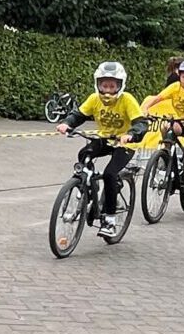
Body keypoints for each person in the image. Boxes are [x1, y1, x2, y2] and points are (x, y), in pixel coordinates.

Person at [55, 61, 150, 238]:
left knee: (110, 174)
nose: (107, 90)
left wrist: (131, 134)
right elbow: (79, 115)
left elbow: (141, 123)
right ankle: (89, 185)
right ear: (97, 84)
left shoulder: (127, 100)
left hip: (125, 143)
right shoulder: (94, 99)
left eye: (112, 86)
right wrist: (66, 124)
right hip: (105, 138)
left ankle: (110, 220)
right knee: (84, 154)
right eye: (103, 85)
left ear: (120, 85)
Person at [141, 59, 184, 192]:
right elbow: (158, 98)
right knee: (166, 127)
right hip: (181, 122)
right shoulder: (175, 87)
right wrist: (146, 107)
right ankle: (167, 154)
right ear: (179, 76)